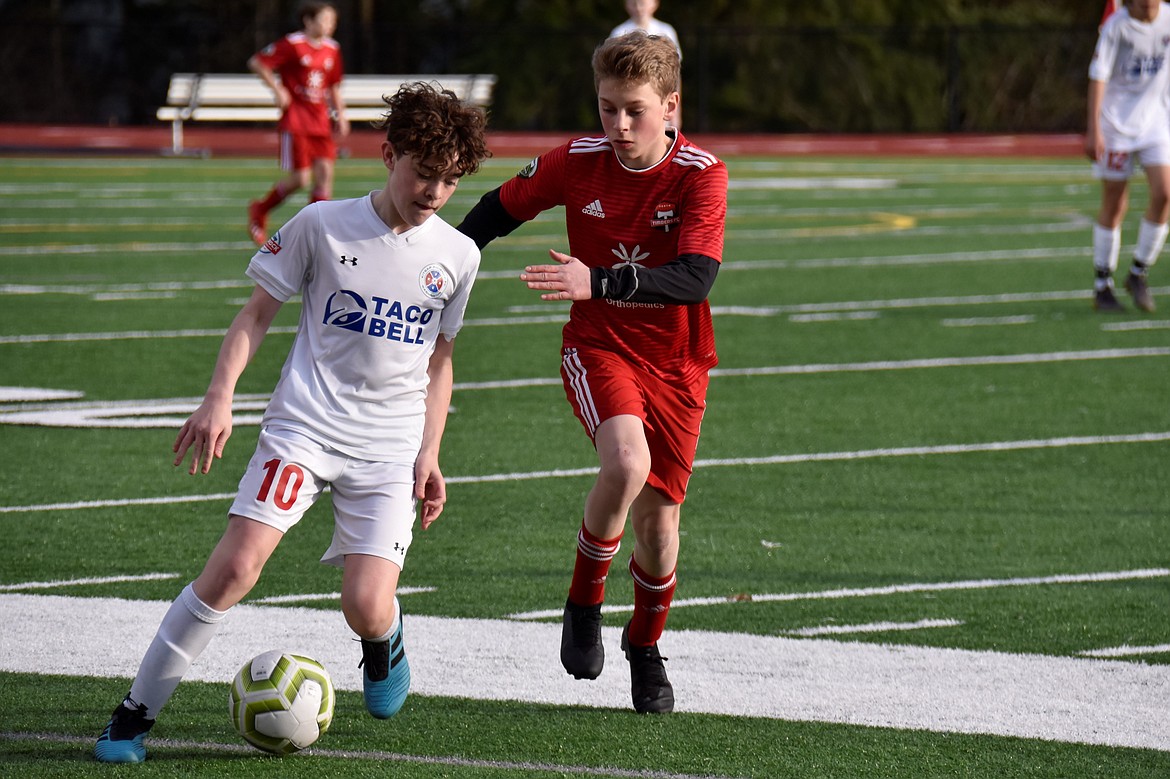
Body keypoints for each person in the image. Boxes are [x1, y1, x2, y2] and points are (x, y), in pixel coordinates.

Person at [94, 82, 490, 763]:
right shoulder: (321, 224)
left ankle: (383, 639)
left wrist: (430, 452)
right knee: (233, 568)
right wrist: (220, 395)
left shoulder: (458, 255)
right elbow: (254, 315)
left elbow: (440, 359)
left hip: (388, 448)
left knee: (366, 605)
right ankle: (133, 716)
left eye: (450, 181)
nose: (434, 192)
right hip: (303, 428)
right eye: (424, 173)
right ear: (390, 153)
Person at [457, 31, 727, 714]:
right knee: (626, 462)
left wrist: (597, 277)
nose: (619, 126)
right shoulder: (577, 161)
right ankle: (583, 600)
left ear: (671, 106)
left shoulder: (701, 173)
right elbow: (493, 213)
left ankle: (644, 642)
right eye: (607, 109)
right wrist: (434, 266)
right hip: (598, 348)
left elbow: (696, 278)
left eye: (634, 110)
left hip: (678, 363)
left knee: (660, 530)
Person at [1085, 0, 1170, 312]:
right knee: (1115, 202)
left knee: (1165, 194)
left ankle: (1138, 272)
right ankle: (1102, 285)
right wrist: (1094, 129)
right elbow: (1098, 77)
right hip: (1116, 126)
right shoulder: (1116, 25)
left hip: (1156, 124)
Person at [246, 0, 351, 247]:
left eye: (332, 21)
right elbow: (257, 62)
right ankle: (260, 208)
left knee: (325, 175)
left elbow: (333, 87)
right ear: (308, 21)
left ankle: (314, 232)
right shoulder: (293, 44)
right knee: (301, 179)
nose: (329, 25)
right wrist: (278, 89)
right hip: (296, 121)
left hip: (321, 122)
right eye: (325, 20)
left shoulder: (332, 49)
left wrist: (342, 115)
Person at [610, 0, 682, 128]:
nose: (638, 7)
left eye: (642, 3)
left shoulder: (666, 31)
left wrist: (677, 112)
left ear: (654, 3)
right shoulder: (619, 32)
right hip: (632, 97)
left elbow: (674, 74)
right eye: (634, 3)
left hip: (659, 94)